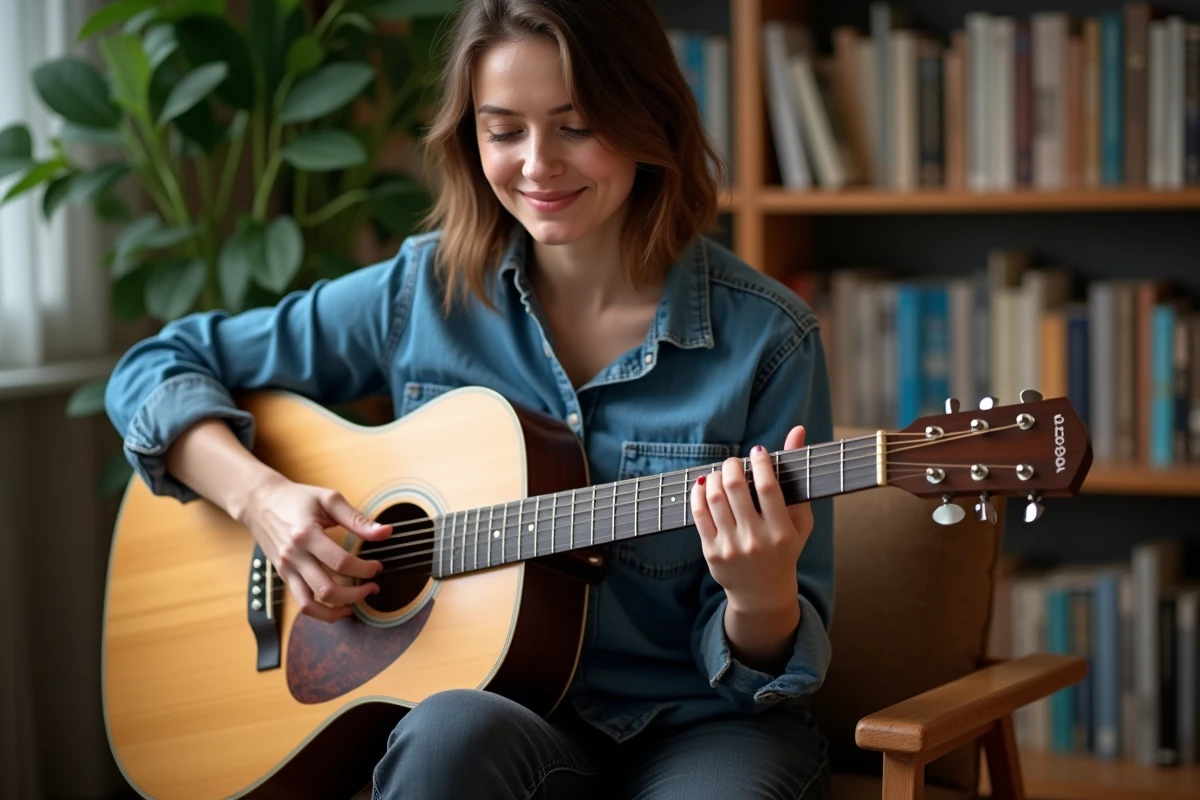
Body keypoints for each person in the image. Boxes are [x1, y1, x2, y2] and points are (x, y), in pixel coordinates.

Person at [103, 0, 835, 797]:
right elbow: (158, 363)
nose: (537, 165)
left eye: (577, 124)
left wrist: (758, 600)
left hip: (700, 728)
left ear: (646, 118)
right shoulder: (419, 293)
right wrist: (264, 502)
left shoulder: (771, 340)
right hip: (501, 723)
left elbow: (767, 673)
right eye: (504, 129)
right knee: (447, 731)